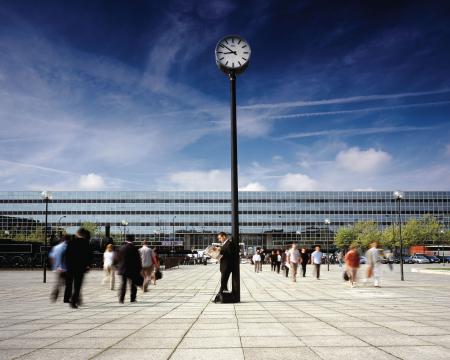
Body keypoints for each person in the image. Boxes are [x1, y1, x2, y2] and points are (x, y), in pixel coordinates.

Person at [65, 228, 92, 309]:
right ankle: (74, 302)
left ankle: (68, 298)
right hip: (80, 268)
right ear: (84, 234)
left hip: (70, 267)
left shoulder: (71, 242)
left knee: (70, 284)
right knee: (77, 286)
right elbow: (89, 256)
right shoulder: (86, 243)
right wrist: (88, 265)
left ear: (78, 234)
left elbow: (67, 255)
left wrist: (67, 265)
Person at [117, 234, 143, 303]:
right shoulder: (134, 248)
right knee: (133, 284)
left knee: (123, 284)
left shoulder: (121, 248)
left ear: (126, 239)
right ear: (133, 239)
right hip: (132, 269)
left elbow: (117, 258)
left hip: (122, 269)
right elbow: (138, 260)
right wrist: (140, 269)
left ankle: (121, 299)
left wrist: (118, 266)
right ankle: (132, 299)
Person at [49, 234, 70, 303]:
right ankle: (67, 298)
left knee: (58, 283)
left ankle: (54, 297)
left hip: (57, 269)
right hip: (66, 268)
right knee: (68, 284)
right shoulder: (68, 247)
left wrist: (54, 266)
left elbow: (52, 257)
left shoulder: (56, 247)